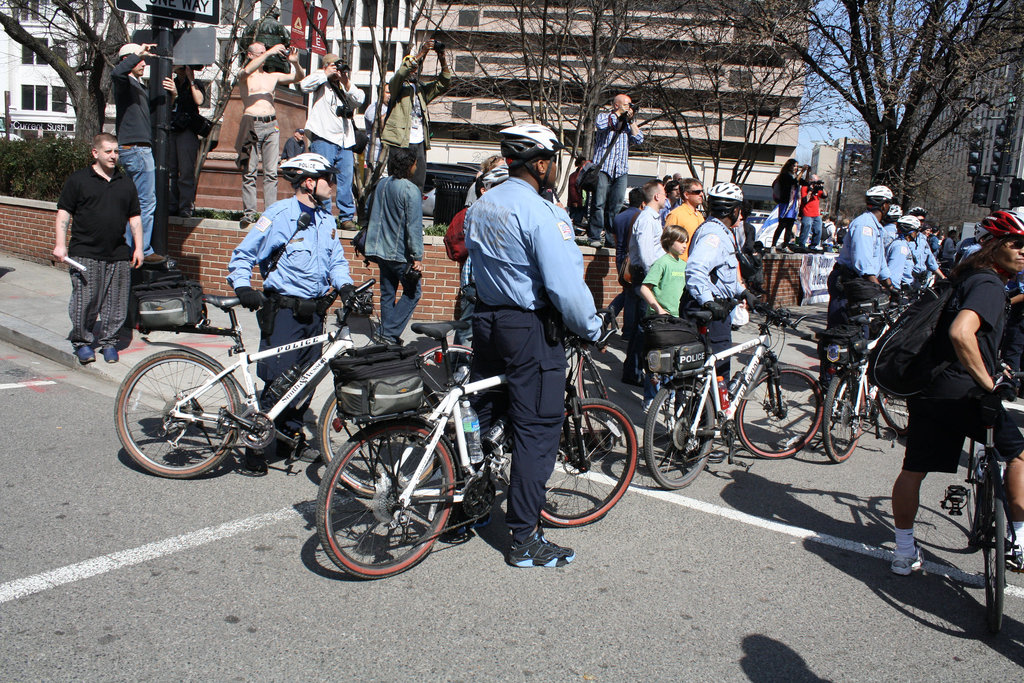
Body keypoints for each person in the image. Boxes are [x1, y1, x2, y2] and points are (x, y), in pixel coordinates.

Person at [464, 123, 602, 567]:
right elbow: (564, 286)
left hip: (486, 320)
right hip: (528, 329)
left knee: (485, 417)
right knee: (537, 430)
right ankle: (524, 537)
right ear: (540, 163)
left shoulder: (483, 204)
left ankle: (471, 507)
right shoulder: (540, 212)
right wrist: (592, 327)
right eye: (553, 160)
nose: (556, 168)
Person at [889, 209, 1024, 575]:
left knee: (913, 470)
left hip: (929, 388)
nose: (1023, 251)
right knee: (1020, 456)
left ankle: (903, 553)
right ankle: (1019, 542)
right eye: (1016, 244)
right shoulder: (991, 285)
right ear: (994, 245)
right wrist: (988, 381)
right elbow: (962, 332)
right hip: (965, 394)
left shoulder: (964, 276)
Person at [227, 152, 354, 475]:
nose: (334, 187)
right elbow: (244, 255)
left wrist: (345, 286)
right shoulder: (280, 215)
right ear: (310, 182)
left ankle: (286, 436)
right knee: (279, 381)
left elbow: (337, 260)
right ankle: (254, 444)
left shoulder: (326, 220)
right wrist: (243, 287)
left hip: (314, 314)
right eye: (329, 180)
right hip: (283, 312)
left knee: (307, 380)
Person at [52, 133, 144, 364]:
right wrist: (60, 245)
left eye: (116, 151)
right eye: (108, 151)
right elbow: (64, 212)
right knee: (86, 300)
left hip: (118, 254)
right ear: (95, 153)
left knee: (116, 304)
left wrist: (139, 248)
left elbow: (135, 217)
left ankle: (109, 343)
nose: (114, 156)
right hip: (85, 253)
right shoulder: (79, 180)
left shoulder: (125, 182)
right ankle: (82, 342)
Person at [111, 43, 176, 262]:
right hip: (137, 150)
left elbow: (153, 113)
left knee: (137, 202)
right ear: (127, 60)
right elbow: (117, 71)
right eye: (139, 60)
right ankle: (141, 250)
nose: (144, 63)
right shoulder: (123, 82)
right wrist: (138, 51)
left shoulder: (136, 86)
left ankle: (132, 248)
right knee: (146, 202)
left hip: (137, 149)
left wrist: (173, 95)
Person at [681, 182, 751, 377]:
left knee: (707, 373)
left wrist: (742, 292)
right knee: (718, 373)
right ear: (735, 210)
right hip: (710, 312)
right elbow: (695, 269)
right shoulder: (714, 235)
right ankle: (708, 407)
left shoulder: (718, 231)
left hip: (717, 309)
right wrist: (709, 302)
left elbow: (721, 275)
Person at [236, 42, 304, 224]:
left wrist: (295, 63)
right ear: (250, 55)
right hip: (251, 124)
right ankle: (249, 213)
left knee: (271, 172)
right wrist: (271, 52)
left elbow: (297, 77)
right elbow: (246, 71)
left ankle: (270, 213)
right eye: (260, 53)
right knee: (249, 171)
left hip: (271, 125)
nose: (264, 55)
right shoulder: (245, 75)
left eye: (265, 52)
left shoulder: (271, 76)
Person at [363, 147, 424, 344]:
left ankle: (385, 338)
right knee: (413, 293)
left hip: (378, 250)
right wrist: (417, 257)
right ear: (409, 165)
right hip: (398, 254)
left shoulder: (381, 184)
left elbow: (367, 207)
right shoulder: (410, 189)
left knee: (388, 294)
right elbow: (413, 226)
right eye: (415, 163)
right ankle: (387, 333)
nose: (416, 167)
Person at [446, 165, 510, 345]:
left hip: (489, 281)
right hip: (476, 280)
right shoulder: (477, 212)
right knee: (467, 328)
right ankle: (460, 367)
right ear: (484, 190)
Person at [299, 55, 364, 227]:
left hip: (345, 140)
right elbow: (304, 85)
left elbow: (360, 98)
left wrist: (346, 81)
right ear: (327, 66)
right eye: (335, 66)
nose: (338, 71)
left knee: (346, 180)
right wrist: (325, 73)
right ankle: (324, 214)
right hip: (324, 136)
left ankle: (346, 217)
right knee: (323, 178)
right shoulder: (321, 82)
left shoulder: (343, 87)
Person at [381, 40, 452, 191]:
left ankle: (414, 210)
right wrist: (422, 52)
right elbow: (401, 73)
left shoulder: (421, 90)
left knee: (418, 182)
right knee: (397, 181)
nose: (414, 70)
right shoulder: (396, 87)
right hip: (400, 140)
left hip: (419, 140)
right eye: (412, 67)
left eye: (416, 67)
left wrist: (442, 58)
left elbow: (444, 82)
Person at [826, 186, 894, 328]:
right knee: (842, 329)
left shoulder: (876, 227)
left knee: (859, 330)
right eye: (889, 203)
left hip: (859, 282)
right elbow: (863, 263)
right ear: (884, 205)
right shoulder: (865, 225)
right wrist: (876, 287)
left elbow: (880, 263)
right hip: (848, 281)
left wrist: (891, 287)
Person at [639, 224, 689, 411]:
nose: (684, 245)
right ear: (669, 242)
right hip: (658, 321)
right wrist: (658, 308)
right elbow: (645, 288)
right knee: (656, 361)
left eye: (686, 241)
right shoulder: (662, 263)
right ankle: (650, 398)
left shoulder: (684, 265)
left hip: (674, 320)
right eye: (681, 241)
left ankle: (669, 394)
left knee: (672, 361)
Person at [622, 179, 667, 387]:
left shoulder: (652, 218)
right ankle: (633, 372)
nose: (666, 196)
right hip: (646, 277)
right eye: (664, 193)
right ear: (656, 196)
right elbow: (648, 255)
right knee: (643, 328)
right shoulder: (647, 220)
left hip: (646, 277)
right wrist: (654, 281)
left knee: (644, 327)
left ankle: (634, 370)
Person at [587, 94, 644, 249]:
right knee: (599, 203)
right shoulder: (605, 117)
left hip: (621, 170)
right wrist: (619, 114)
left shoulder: (627, 124)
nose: (629, 107)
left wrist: (631, 121)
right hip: (603, 168)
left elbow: (639, 139)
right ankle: (594, 235)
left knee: (616, 205)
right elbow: (601, 124)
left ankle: (612, 238)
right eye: (627, 104)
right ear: (617, 105)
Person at [168, 65, 206, 219]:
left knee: (186, 172)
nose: (182, 70)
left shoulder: (196, 84)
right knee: (171, 171)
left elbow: (199, 100)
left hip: (187, 130)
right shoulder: (171, 82)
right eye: (180, 68)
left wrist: (191, 80)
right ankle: (171, 205)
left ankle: (186, 207)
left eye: (185, 68)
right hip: (172, 128)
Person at [664, 177, 704, 260]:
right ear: (686, 195)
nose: (701, 194)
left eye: (702, 191)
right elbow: (667, 242)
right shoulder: (676, 214)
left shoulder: (699, 215)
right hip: (679, 266)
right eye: (697, 192)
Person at [770, 160, 806, 251]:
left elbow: (804, 183)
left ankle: (785, 245)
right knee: (782, 225)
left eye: (797, 166)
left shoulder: (796, 176)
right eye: (794, 166)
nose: (796, 168)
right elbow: (793, 182)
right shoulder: (784, 176)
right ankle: (773, 245)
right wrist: (802, 172)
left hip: (793, 205)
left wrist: (806, 172)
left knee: (789, 226)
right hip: (785, 204)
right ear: (789, 166)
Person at [884, 215, 920, 295]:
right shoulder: (900, 247)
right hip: (901, 290)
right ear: (911, 232)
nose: (917, 234)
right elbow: (894, 271)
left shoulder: (903, 244)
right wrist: (895, 292)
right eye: (916, 231)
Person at [796, 174, 827, 250]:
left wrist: (821, 187)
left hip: (816, 214)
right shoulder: (805, 187)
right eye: (814, 181)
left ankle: (813, 245)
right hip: (807, 213)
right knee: (806, 228)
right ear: (810, 180)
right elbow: (804, 200)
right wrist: (810, 191)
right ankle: (801, 244)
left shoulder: (817, 188)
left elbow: (825, 195)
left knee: (818, 230)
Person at [566, 156, 587, 227]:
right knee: (575, 219)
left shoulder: (586, 175)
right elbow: (572, 189)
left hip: (583, 202)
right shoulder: (573, 176)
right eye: (582, 164)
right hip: (576, 203)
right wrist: (575, 201)